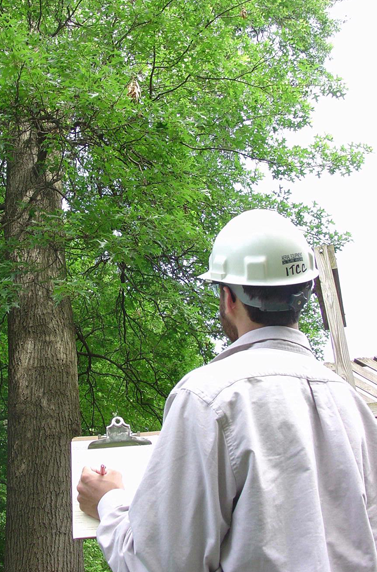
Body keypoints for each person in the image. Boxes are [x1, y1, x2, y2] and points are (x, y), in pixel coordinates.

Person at [77, 209, 377, 572]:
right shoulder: (351, 402)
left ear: (229, 298)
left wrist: (109, 502)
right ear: (305, 294)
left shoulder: (209, 397)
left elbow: (159, 563)